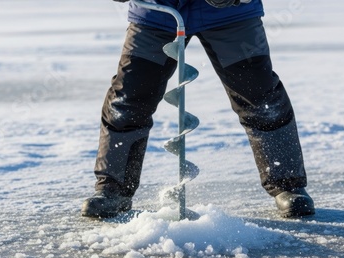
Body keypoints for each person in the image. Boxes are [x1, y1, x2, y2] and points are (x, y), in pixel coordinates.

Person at [81, 0, 315, 218]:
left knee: (261, 99)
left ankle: (288, 186)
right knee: (128, 99)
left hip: (230, 15)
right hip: (157, 12)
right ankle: (113, 189)